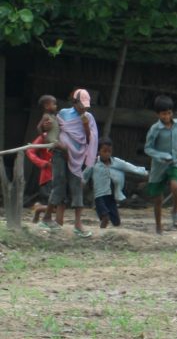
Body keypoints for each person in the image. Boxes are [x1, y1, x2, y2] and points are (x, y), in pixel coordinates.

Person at [49, 89, 99, 237]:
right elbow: (55, 131)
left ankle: (78, 224)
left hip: (76, 157)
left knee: (76, 186)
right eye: (81, 105)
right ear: (74, 102)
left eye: (86, 106)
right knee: (59, 183)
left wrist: (85, 126)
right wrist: (55, 143)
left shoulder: (89, 117)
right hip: (60, 154)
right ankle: (56, 221)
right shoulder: (64, 113)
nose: (83, 108)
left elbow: (91, 139)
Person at [143, 95, 177, 233]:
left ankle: (175, 210)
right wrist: (161, 156)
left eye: (169, 113)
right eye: (163, 114)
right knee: (158, 198)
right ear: (158, 114)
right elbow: (148, 148)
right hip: (159, 165)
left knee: (175, 185)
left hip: (175, 161)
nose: (167, 116)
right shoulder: (155, 129)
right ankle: (158, 226)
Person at [87, 141, 148, 228]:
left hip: (112, 196)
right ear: (98, 152)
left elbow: (130, 167)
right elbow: (85, 175)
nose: (107, 154)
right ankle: (100, 233)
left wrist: (145, 173)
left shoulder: (116, 162)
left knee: (116, 222)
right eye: (104, 151)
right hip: (99, 196)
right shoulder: (94, 163)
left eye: (109, 151)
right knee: (105, 217)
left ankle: (108, 234)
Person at [27, 105, 56, 224]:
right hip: (48, 176)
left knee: (58, 204)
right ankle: (39, 210)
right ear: (42, 125)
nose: (48, 122)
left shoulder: (60, 137)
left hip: (59, 175)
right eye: (45, 121)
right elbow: (29, 150)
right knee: (54, 206)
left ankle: (39, 211)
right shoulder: (43, 138)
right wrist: (42, 163)